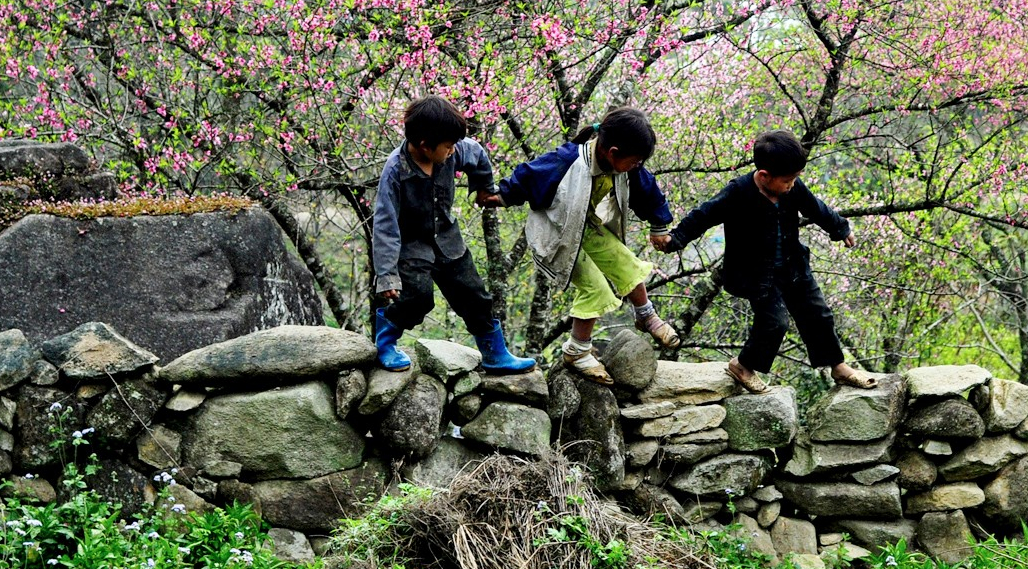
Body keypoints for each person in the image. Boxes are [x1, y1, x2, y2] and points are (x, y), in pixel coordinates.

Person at [652, 129, 877, 393]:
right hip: (757, 274)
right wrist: (675, 239)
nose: (791, 185)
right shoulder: (738, 193)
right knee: (774, 322)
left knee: (819, 315)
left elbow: (816, 207)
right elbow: (704, 215)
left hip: (794, 266)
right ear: (764, 176)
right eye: (787, 180)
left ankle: (838, 366)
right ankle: (742, 365)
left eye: (795, 179)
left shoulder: (793, 190)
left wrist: (840, 229)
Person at [480, 106, 679, 385]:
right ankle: (577, 350)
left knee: (626, 262)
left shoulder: (626, 166)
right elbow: (529, 175)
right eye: (634, 161)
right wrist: (500, 196)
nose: (637, 167)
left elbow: (648, 191)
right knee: (595, 288)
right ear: (612, 152)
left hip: (586, 228)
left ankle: (645, 315)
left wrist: (659, 226)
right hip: (555, 235)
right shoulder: (568, 161)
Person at [370, 96, 536, 375]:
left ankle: (495, 354)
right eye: (447, 146)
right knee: (417, 299)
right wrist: (387, 275)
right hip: (412, 246)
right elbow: (385, 225)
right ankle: (385, 343)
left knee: (475, 296)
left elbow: (478, 155)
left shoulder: (454, 150)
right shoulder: (396, 170)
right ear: (425, 145)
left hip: (448, 240)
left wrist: (484, 187)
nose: (452, 151)